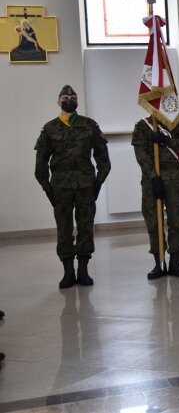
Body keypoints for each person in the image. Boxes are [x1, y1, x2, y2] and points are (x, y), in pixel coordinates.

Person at [35, 85, 111, 288]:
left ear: (77, 101)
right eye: (65, 97)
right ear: (58, 101)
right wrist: (46, 187)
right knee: (64, 228)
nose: (69, 99)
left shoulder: (89, 125)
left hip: (86, 185)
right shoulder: (49, 128)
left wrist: (99, 182)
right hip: (60, 187)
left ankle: (83, 271)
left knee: (86, 226)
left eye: (73, 96)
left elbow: (103, 156)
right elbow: (40, 161)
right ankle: (68, 272)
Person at [131, 115, 179, 279]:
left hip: (174, 177)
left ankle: (175, 263)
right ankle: (159, 263)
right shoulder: (143, 125)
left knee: (176, 221)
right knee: (153, 222)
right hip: (152, 179)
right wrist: (154, 177)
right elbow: (141, 156)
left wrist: (167, 141)